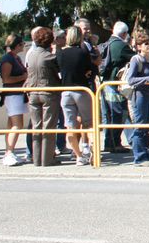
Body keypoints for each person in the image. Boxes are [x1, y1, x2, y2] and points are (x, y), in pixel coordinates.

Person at [57, 26, 99, 166]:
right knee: (89, 123)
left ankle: (78, 156)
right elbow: (90, 70)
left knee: (70, 126)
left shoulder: (61, 53)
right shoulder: (82, 52)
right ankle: (94, 151)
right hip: (81, 90)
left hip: (65, 91)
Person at [125, 31, 149, 167]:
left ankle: (145, 154)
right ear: (139, 46)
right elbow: (131, 79)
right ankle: (139, 157)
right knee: (140, 127)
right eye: (146, 43)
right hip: (140, 97)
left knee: (146, 127)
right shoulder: (136, 60)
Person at [25, 26, 61, 167]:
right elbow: (58, 71)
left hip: (32, 93)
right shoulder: (50, 57)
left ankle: (36, 159)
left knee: (36, 126)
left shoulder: (31, 55)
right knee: (48, 126)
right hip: (48, 92)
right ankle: (47, 159)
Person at [99, 22, 134, 154]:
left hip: (105, 83)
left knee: (108, 116)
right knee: (119, 113)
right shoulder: (120, 46)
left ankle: (109, 143)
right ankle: (116, 144)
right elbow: (136, 58)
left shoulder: (107, 43)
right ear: (124, 33)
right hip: (115, 84)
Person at [0, 35, 29, 165]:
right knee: (17, 125)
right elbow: (6, 79)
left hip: (18, 94)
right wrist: (23, 76)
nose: (23, 46)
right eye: (22, 44)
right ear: (17, 45)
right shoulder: (8, 59)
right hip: (12, 94)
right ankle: (9, 152)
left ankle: (9, 151)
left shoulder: (15, 58)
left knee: (12, 124)